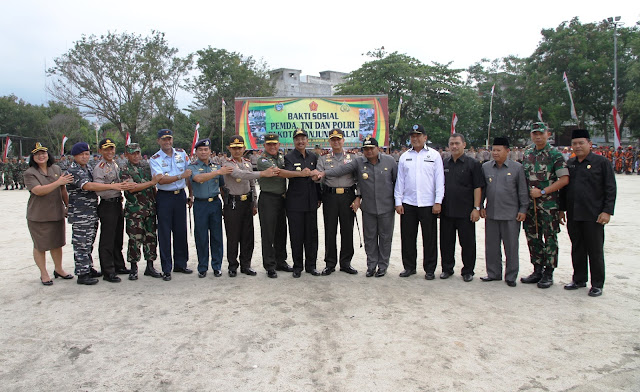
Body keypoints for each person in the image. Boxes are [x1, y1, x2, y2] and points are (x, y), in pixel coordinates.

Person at [317, 136, 397, 277]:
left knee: (382, 237)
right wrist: (324, 173)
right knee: (367, 237)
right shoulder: (358, 161)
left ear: (378, 148)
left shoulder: (388, 161)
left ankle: (376, 266)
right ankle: (369, 266)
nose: (369, 151)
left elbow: (397, 182)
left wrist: (358, 197)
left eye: (371, 148)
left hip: (381, 205)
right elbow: (341, 170)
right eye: (366, 149)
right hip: (346, 201)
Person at [559, 129, 616, 297]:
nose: (578, 146)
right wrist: (562, 209)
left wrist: (607, 211)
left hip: (594, 215)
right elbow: (564, 188)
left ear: (589, 144)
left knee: (595, 250)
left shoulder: (601, 162)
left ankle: (597, 283)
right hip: (574, 214)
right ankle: (579, 279)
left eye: (581, 143)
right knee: (577, 248)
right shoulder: (570, 164)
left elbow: (610, 188)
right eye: (575, 144)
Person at [66, 142, 130, 285]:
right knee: (85, 242)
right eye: (81, 154)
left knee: (96, 241)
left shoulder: (90, 167)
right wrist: (113, 186)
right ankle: (92, 273)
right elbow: (89, 186)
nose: (84, 156)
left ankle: (93, 267)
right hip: (83, 211)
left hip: (93, 209)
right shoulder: (75, 170)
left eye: (86, 154)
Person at [521, 122, 569, 288]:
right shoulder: (527, 153)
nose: (538, 136)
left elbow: (564, 179)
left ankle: (549, 272)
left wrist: (543, 192)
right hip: (530, 205)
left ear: (548, 134)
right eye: (535, 133)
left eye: (541, 133)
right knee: (532, 236)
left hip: (549, 204)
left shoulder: (555, 154)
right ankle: (537, 269)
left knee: (549, 238)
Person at [222, 135, 279, 277]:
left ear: (244, 148)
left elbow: (252, 184)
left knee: (248, 236)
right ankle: (232, 266)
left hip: (246, 202)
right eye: (234, 148)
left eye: (239, 148)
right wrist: (262, 174)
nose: (237, 151)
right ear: (229, 148)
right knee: (233, 236)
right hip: (233, 203)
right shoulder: (227, 163)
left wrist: (254, 202)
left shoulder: (247, 162)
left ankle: (245, 265)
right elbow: (240, 174)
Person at [394, 124, 445, 279]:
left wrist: (438, 201)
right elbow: (400, 181)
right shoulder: (404, 156)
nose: (415, 139)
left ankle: (430, 269)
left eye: (418, 135)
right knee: (408, 237)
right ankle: (409, 267)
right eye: (413, 136)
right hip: (409, 203)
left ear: (425, 138)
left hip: (428, 204)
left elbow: (439, 180)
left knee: (429, 238)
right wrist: (398, 201)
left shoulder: (434, 156)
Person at [479, 137, 528, 286]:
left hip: (511, 214)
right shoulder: (486, 167)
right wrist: (480, 206)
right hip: (492, 213)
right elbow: (483, 190)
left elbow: (522, 191)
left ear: (507, 151)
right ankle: (493, 273)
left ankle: (511, 276)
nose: (495, 153)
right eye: (493, 150)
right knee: (491, 246)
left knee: (511, 246)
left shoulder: (517, 168)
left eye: (499, 150)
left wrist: (523, 209)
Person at [24, 143, 74, 285]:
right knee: (41, 245)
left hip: (56, 213)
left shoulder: (56, 168)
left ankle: (58, 269)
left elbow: (63, 189)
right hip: (39, 216)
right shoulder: (30, 173)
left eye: (43, 153)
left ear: (48, 155)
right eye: (37, 154)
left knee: (57, 243)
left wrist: (68, 205)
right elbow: (38, 191)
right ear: (33, 157)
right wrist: (58, 182)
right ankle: (44, 273)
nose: (41, 156)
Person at [149, 129, 194, 281]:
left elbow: (190, 174)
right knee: (165, 233)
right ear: (158, 141)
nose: (167, 142)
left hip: (180, 196)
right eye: (164, 139)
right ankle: (166, 268)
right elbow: (160, 180)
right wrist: (180, 176)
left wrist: (191, 194)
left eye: (169, 139)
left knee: (181, 231)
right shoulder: (155, 158)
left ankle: (181, 264)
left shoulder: (181, 154)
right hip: (165, 197)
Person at [440, 133, 485, 282]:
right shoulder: (444, 163)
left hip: (466, 211)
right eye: (451, 143)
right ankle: (447, 268)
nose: (454, 146)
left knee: (467, 243)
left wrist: (476, 208)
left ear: (464, 145)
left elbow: (478, 187)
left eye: (457, 143)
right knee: (446, 242)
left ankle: (468, 270)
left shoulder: (473, 164)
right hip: (447, 210)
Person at [187, 139, 233, 278]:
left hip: (215, 203)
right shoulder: (192, 166)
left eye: (206, 150)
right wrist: (218, 172)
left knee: (217, 236)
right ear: (196, 152)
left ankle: (217, 266)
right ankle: (202, 267)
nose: (203, 152)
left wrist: (225, 205)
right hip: (200, 204)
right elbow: (198, 179)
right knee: (201, 237)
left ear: (210, 152)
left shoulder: (216, 166)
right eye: (200, 150)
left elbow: (222, 186)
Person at [316, 129, 359, 276]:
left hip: (348, 196)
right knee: (330, 230)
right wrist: (315, 178)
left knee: (347, 230)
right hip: (330, 197)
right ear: (329, 141)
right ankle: (330, 263)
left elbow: (358, 179)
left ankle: (346, 262)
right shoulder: (323, 158)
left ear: (343, 140)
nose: (336, 142)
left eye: (338, 139)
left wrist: (358, 197)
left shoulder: (353, 157)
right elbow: (320, 179)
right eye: (333, 139)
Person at [281, 129, 322, 278]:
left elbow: (317, 178)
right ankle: (298, 266)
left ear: (307, 140)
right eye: (297, 139)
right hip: (295, 203)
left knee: (311, 235)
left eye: (303, 139)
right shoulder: (289, 157)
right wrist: (302, 173)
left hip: (311, 201)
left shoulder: (313, 156)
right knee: (296, 236)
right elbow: (288, 173)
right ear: (294, 141)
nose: (300, 142)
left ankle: (311, 266)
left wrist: (319, 196)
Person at [93, 138, 135, 282]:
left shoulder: (115, 164)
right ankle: (108, 270)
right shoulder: (100, 167)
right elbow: (98, 188)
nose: (110, 152)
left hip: (117, 203)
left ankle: (118, 265)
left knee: (118, 237)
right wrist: (114, 187)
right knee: (107, 239)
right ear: (100, 151)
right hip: (107, 204)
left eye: (111, 149)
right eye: (106, 149)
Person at [120, 143, 164, 280]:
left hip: (150, 209)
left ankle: (150, 266)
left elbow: (153, 189)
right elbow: (131, 188)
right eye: (132, 153)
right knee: (134, 239)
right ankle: (133, 268)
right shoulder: (124, 169)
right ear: (127, 155)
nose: (136, 156)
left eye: (137, 153)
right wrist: (152, 183)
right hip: (135, 212)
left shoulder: (146, 166)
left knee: (151, 238)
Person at [256, 133, 294, 278]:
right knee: (268, 233)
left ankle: (281, 261)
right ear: (264, 146)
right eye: (269, 144)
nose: (272, 147)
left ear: (279, 144)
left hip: (281, 199)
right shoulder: (262, 160)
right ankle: (270, 265)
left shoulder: (280, 157)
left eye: (275, 144)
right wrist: (299, 173)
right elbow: (278, 172)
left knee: (281, 232)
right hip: (268, 199)